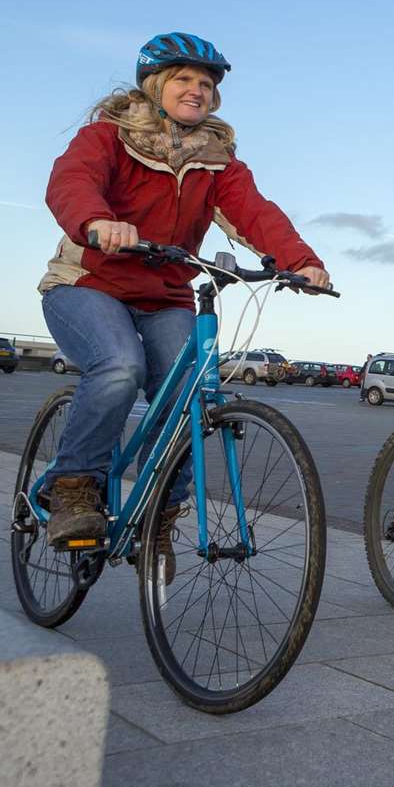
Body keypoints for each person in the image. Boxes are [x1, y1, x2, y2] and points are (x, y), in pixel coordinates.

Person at [39, 33, 329, 580]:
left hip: (166, 294)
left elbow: (256, 213)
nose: (196, 90)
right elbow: (72, 182)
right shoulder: (108, 136)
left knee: (187, 396)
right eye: (183, 79)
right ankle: (74, 487)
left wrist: (300, 261)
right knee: (120, 367)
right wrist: (97, 222)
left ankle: (159, 513)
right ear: (155, 85)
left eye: (206, 84)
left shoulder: (217, 161)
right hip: (88, 284)